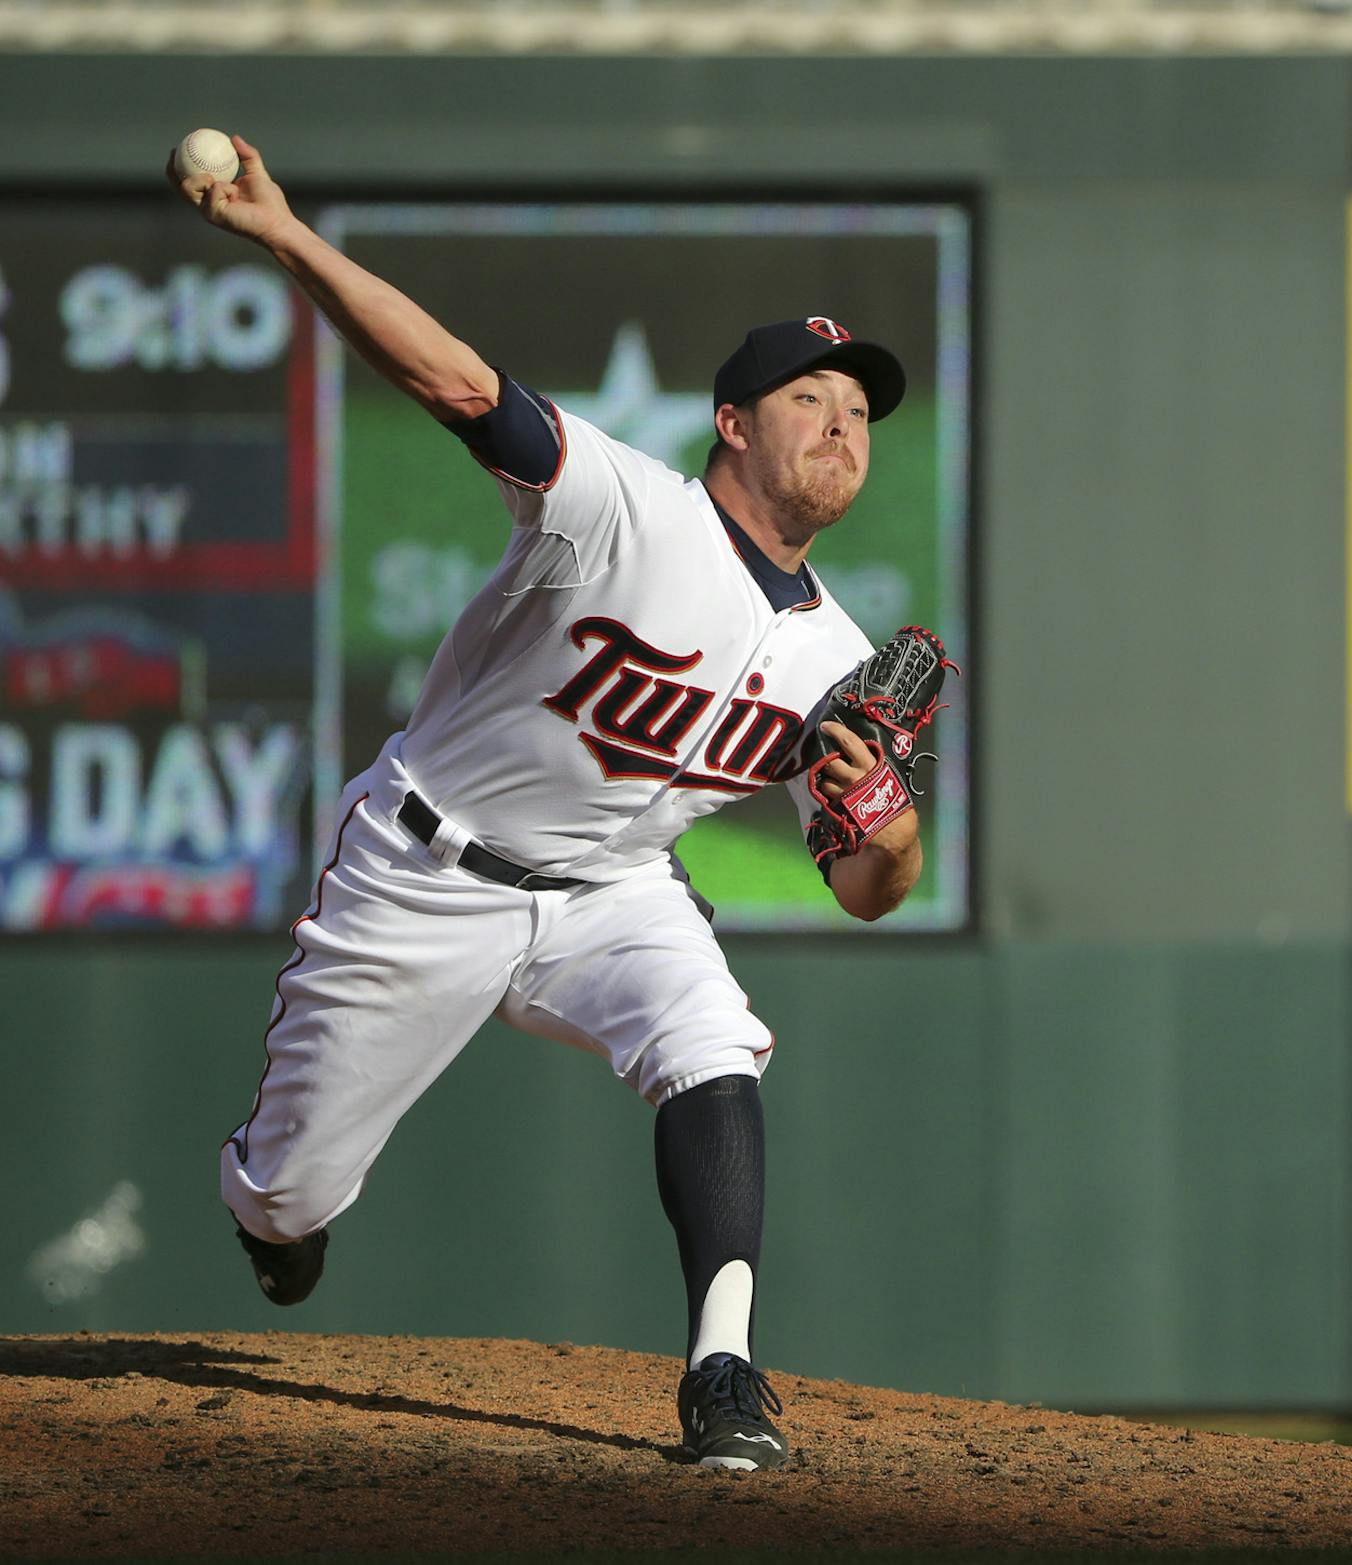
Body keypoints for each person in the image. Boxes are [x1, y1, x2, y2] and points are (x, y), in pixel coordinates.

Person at [171, 134, 935, 1472]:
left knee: (713, 1040)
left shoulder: (840, 664)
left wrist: (888, 815)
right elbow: (453, 379)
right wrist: (284, 236)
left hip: (613, 890)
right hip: (426, 870)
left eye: (861, 411)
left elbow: (871, 893)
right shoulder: (620, 507)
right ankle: (274, 1220)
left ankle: (725, 1370)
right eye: (810, 398)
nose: (842, 426)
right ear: (734, 422)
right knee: (292, 1198)